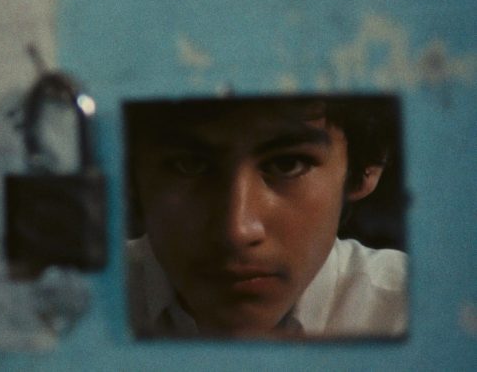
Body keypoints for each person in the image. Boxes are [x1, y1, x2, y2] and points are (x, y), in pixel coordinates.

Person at [125, 97, 407, 338]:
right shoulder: (98, 303)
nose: (237, 231)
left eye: (287, 164)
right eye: (189, 165)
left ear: (366, 169)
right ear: (130, 173)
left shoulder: (412, 310)